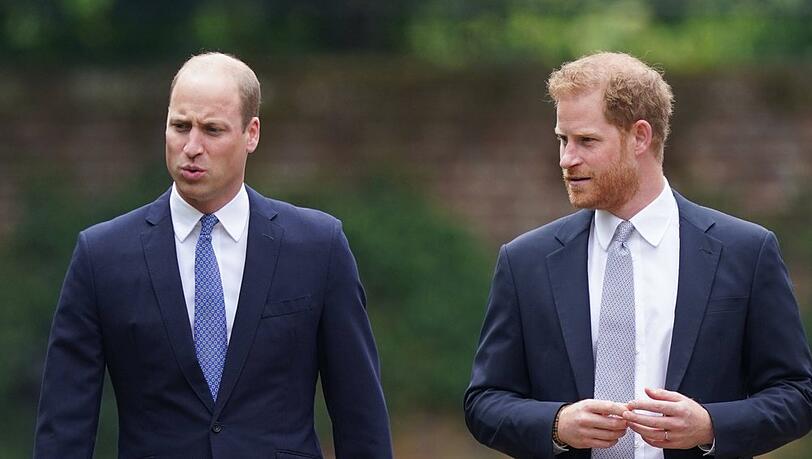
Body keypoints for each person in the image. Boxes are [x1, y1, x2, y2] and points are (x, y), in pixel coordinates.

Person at [34, 52, 392, 459]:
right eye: (180, 126)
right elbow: (63, 429)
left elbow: (360, 418)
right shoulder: (102, 256)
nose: (191, 147)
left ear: (251, 133)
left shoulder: (318, 247)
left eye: (212, 130)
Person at [464, 51, 812, 459]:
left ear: (640, 137)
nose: (566, 159)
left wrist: (710, 426)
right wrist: (557, 424)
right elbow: (484, 402)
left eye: (586, 141)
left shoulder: (746, 252)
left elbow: (797, 395)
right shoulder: (524, 261)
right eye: (563, 139)